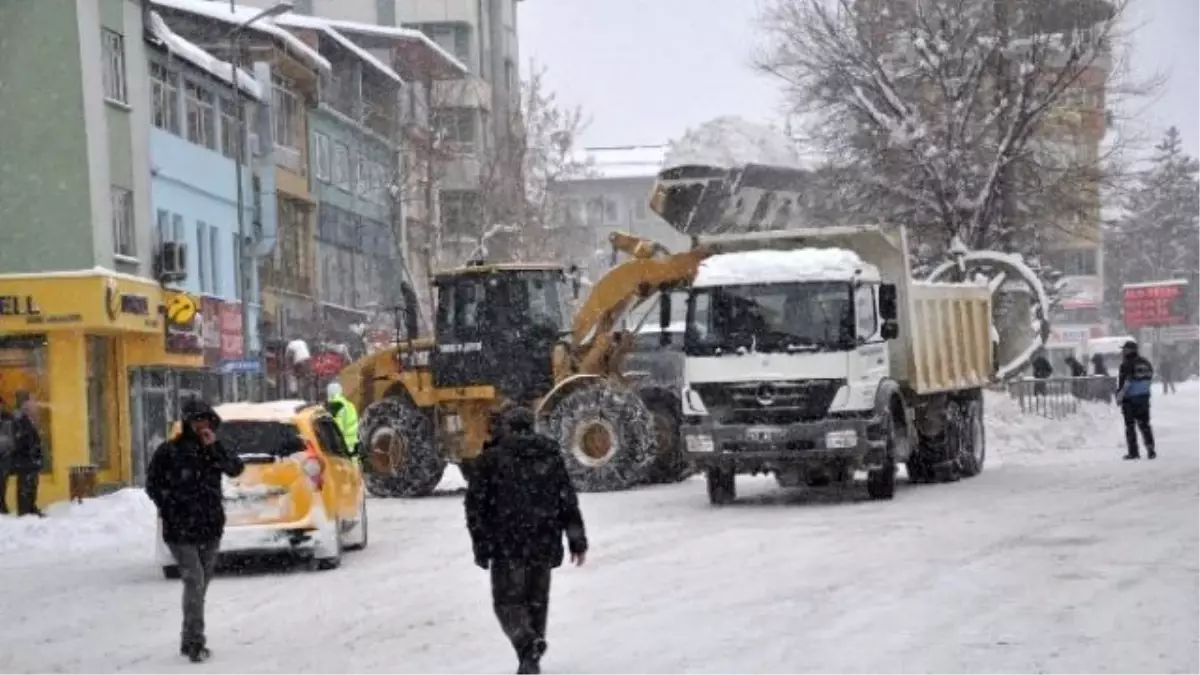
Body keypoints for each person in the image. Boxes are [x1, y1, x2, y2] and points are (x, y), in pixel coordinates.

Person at [465, 405, 588, 675]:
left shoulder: (490, 460)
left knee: (507, 603)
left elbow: (475, 507)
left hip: (506, 543)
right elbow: (567, 499)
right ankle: (530, 658)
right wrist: (576, 539)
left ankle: (526, 643)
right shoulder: (550, 456)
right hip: (544, 541)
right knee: (537, 601)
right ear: (532, 427)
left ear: (506, 427)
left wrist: (481, 544)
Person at [145, 398, 245, 663]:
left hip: (210, 527)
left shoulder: (214, 448)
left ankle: (188, 636)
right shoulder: (170, 451)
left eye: (205, 419)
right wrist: (169, 507)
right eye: (196, 420)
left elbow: (235, 468)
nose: (201, 424)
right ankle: (194, 643)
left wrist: (215, 447)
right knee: (195, 581)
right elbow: (153, 484)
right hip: (180, 530)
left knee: (201, 585)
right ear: (187, 422)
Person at [0, 392, 45, 517]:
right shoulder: (16, 418)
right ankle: (26, 511)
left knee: (30, 485)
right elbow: (17, 439)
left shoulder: (19, 417)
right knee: (26, 486)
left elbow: (28, 438)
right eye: (31, 401)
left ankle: (29, 509)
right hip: (20, 459)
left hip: (26, 459)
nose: (34, 404)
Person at [1116, 340, 1155, 461]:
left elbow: (1125, 383)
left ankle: (1133, 452)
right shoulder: (1146, 362)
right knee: (1145, 425)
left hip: (1130, 400)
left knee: (1130, 426)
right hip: (1143, 398)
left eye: (1124, 349)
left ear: (1129, 350)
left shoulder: (1126, 364)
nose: (1123, 351)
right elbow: (1149, 378)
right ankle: (1150, 450)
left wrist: (1119, 397)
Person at [325, 382, 361, 467]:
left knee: (344, 470)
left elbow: (337, 427)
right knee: (354, 468)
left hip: (343, 442)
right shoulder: (349, 404)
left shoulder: (336, 404)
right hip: (353, 441)